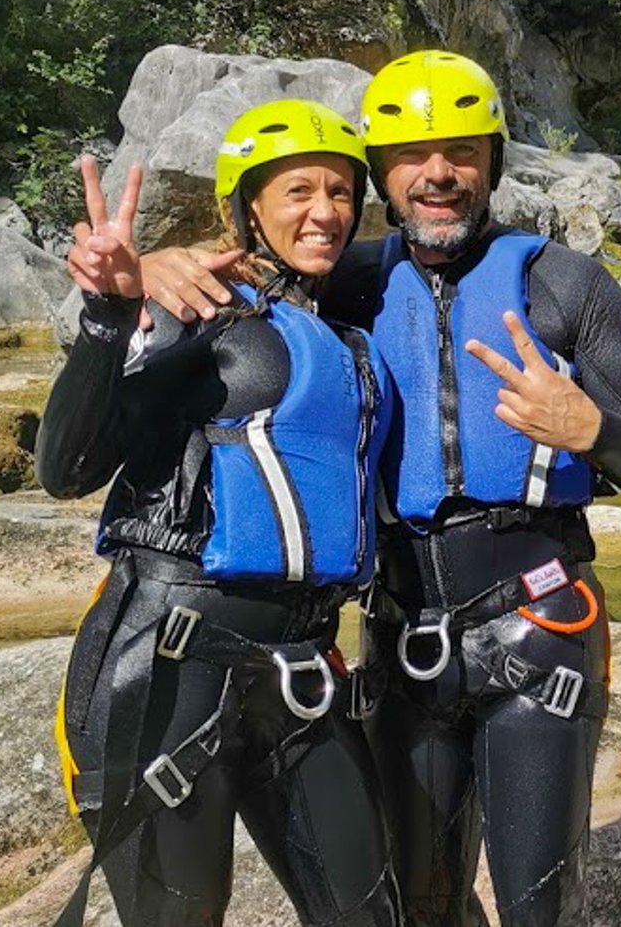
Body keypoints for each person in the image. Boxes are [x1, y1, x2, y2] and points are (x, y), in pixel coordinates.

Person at [137, 50, 621, 927]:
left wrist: (594, 430)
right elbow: (226, 290)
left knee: (541, 908)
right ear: (381, 177)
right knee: (416, 908)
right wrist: (153, 267)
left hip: (539, 631)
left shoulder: (566, 282)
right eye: (410, 156)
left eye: (462, 152)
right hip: (401, 646)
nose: (438, 174)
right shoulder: (345, 283)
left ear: (492, 163)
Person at [37, 100, 400, 927]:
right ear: (246, 210)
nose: (326, 211)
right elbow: (66, 469)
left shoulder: (346, 341)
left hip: (299, 670)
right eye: (299, 191)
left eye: (342, 192)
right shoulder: (195, 309)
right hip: (167, 662)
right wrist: (106, 316)